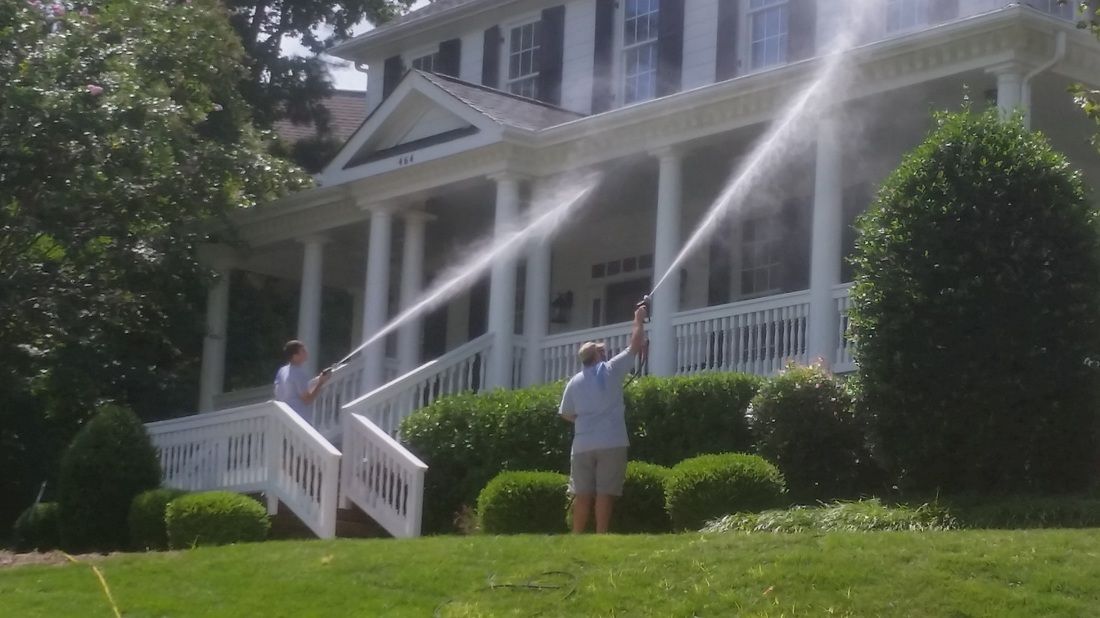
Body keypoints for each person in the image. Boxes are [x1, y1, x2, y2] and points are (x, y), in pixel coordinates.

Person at [559, 303, 647, 534]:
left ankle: (577, 536)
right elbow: (635, 345)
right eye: (602, 350)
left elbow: (566, 413)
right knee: (604, 493)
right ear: (597, 355)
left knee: (583, 494)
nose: (605, 353)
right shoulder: (610, 369)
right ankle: (600, 535)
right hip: (612, 442)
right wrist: (638, 319)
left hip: (582, 445)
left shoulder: (574, 382)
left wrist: (584, 421)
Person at [273, 340, 330, 425]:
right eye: (303, 350)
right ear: (295, 356)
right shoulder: (299, 373)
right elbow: (307, 400)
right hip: (299, 419)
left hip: (285, 418)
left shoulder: (282, 371)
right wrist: (320, 383)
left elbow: (281, 393)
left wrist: (317, 380)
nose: (306, 352)